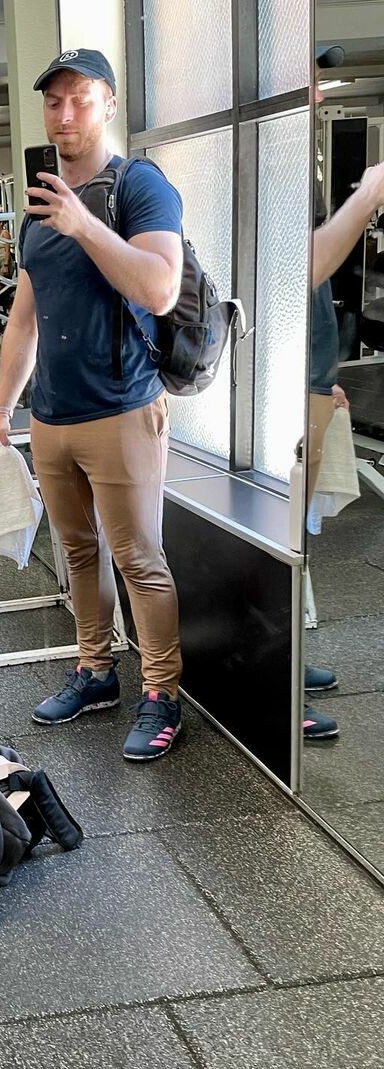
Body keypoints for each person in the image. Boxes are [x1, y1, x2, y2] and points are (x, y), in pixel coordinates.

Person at [0, 48, 185, 762]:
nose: (64, 113)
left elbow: (160, 288)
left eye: (79, 99)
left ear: (108, 104)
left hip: (122, 408)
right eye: (53, 101)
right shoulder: (40, 206)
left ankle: (162, 694)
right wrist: (2, 408)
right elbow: (24, 320)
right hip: (52, 415)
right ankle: (96, 670)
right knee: (77, 551)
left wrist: (84, 225)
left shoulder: (139, 186)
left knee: (138, 558)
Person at [301, 47, 384, 738]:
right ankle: (274, 685)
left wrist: (327, 374)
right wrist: (368, 196)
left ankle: (284, 659)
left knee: (295, 536)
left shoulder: (302, 160)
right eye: (311, 80)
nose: (321, 93)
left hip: (306, 375)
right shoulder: (271, 159)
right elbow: (301, 268)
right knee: (275, 533)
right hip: (275, 386)